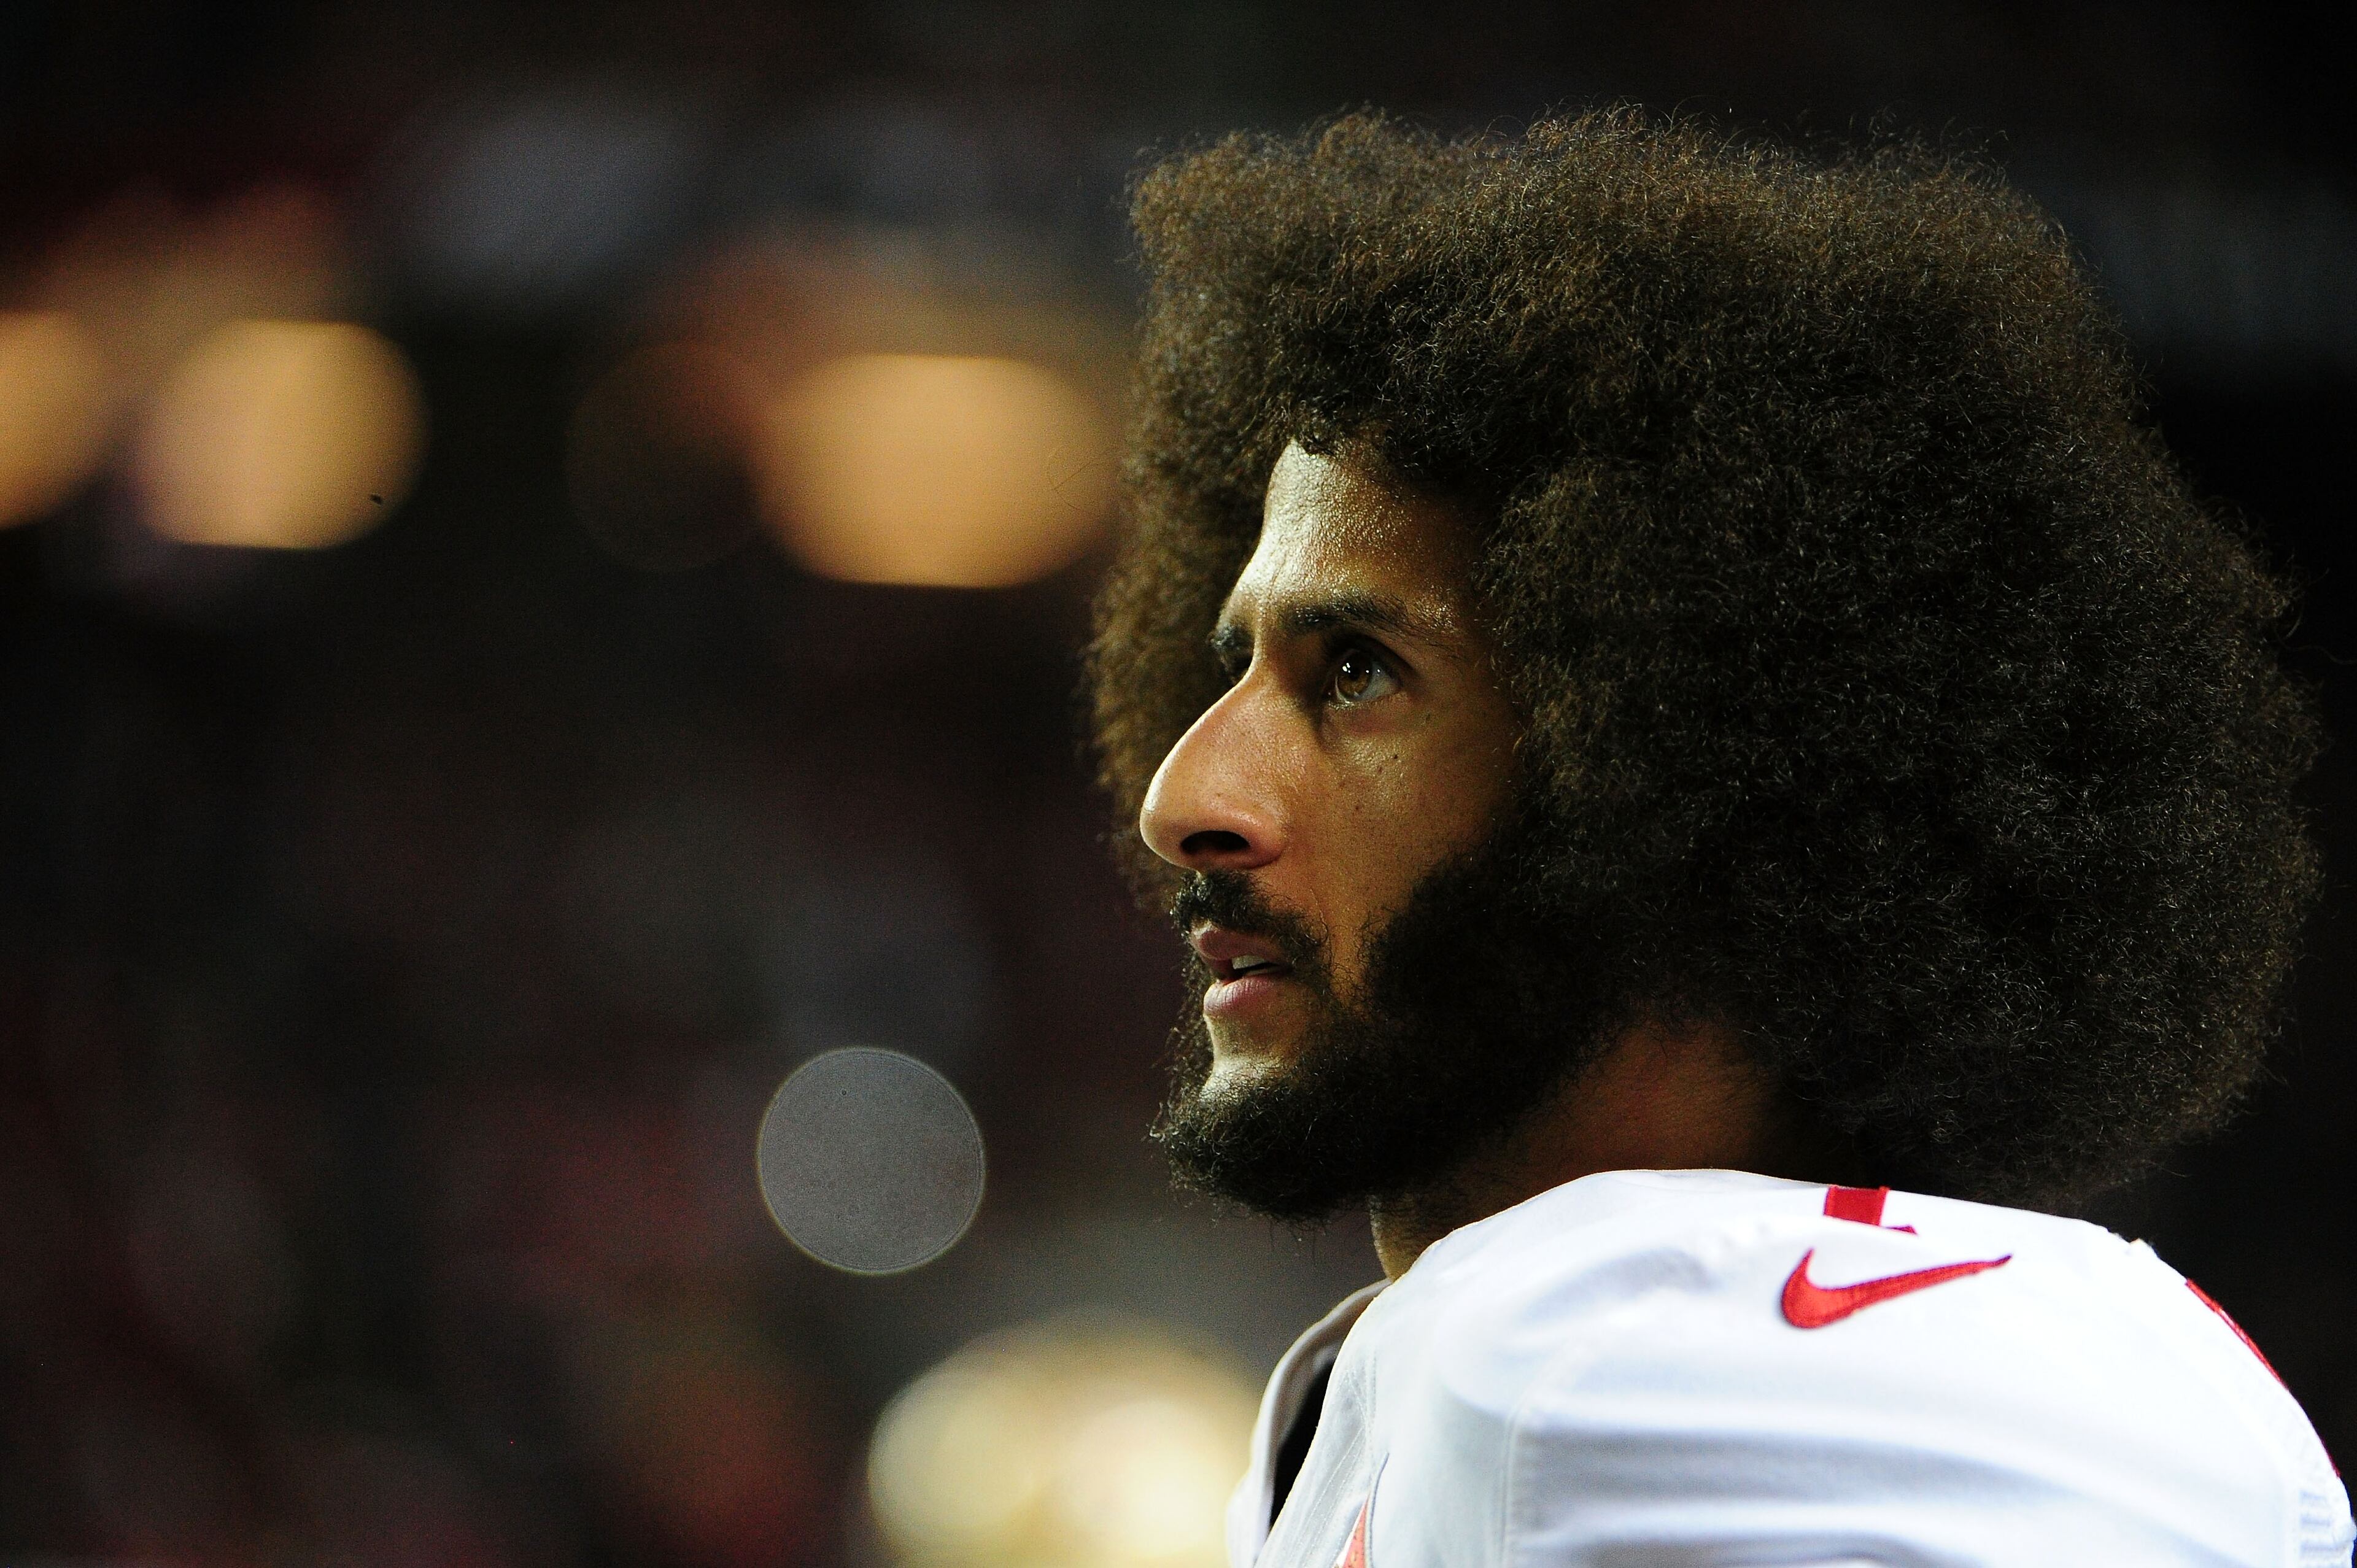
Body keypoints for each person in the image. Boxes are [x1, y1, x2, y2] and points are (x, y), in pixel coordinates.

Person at [1083, 110, 2353, 1566]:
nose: (1181, 798)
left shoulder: (1652, 1364)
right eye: (1229, 667)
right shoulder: (1411, 1388)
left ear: (1683, 762)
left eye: (1356, 670)